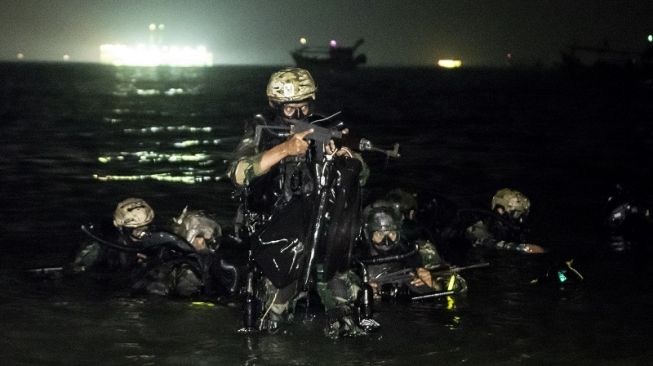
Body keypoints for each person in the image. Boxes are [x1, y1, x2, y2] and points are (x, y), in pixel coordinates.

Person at [229, 67, 368, 337]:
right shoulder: (261, 133)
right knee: (272, 322)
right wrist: (284, 150)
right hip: (276, 237)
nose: (299, 115)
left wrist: (346, 159)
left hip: (322, 233)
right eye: (291, 110)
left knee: (345, 319)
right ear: (275, 105)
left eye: (304, 108)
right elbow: (238, 173)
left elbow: (362, 175)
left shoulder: (323, 129)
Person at [357, 203, 467, 301]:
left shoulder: (418, 252)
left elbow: (460, 286)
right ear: (368, 235)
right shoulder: (356, 259)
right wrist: (360, 291)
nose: (387, 241)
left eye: (391, 233)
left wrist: (434, 284)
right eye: (379, 234)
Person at [462, 188, 545, 254]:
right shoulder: (478, 228)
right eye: (516, 214)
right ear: (500, 210)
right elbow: (486, 242)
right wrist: (523, 248)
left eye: (523, 216)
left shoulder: (509, 230)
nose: (520, 220)